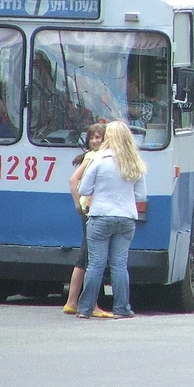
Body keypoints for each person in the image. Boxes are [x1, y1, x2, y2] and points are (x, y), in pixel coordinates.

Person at [76, 120, 147, 319]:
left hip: (100, 217)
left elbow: (83, 189)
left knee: (96, 264)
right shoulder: (134, 162)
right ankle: (122, 308)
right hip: (126, 218)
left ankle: (85, 308)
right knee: (119, 264)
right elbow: (141, 195)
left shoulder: (99, 160)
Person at [62, 123, 113, 318]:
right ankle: (90, 304)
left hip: (87, 209)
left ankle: (72, 302)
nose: (95, 141)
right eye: (92, 138)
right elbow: (73, 180)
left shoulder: (90, 157)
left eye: (98, 137)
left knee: (85, 257)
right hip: (91, 210)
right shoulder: (94, 158)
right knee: (92, 258)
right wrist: (78, 204)